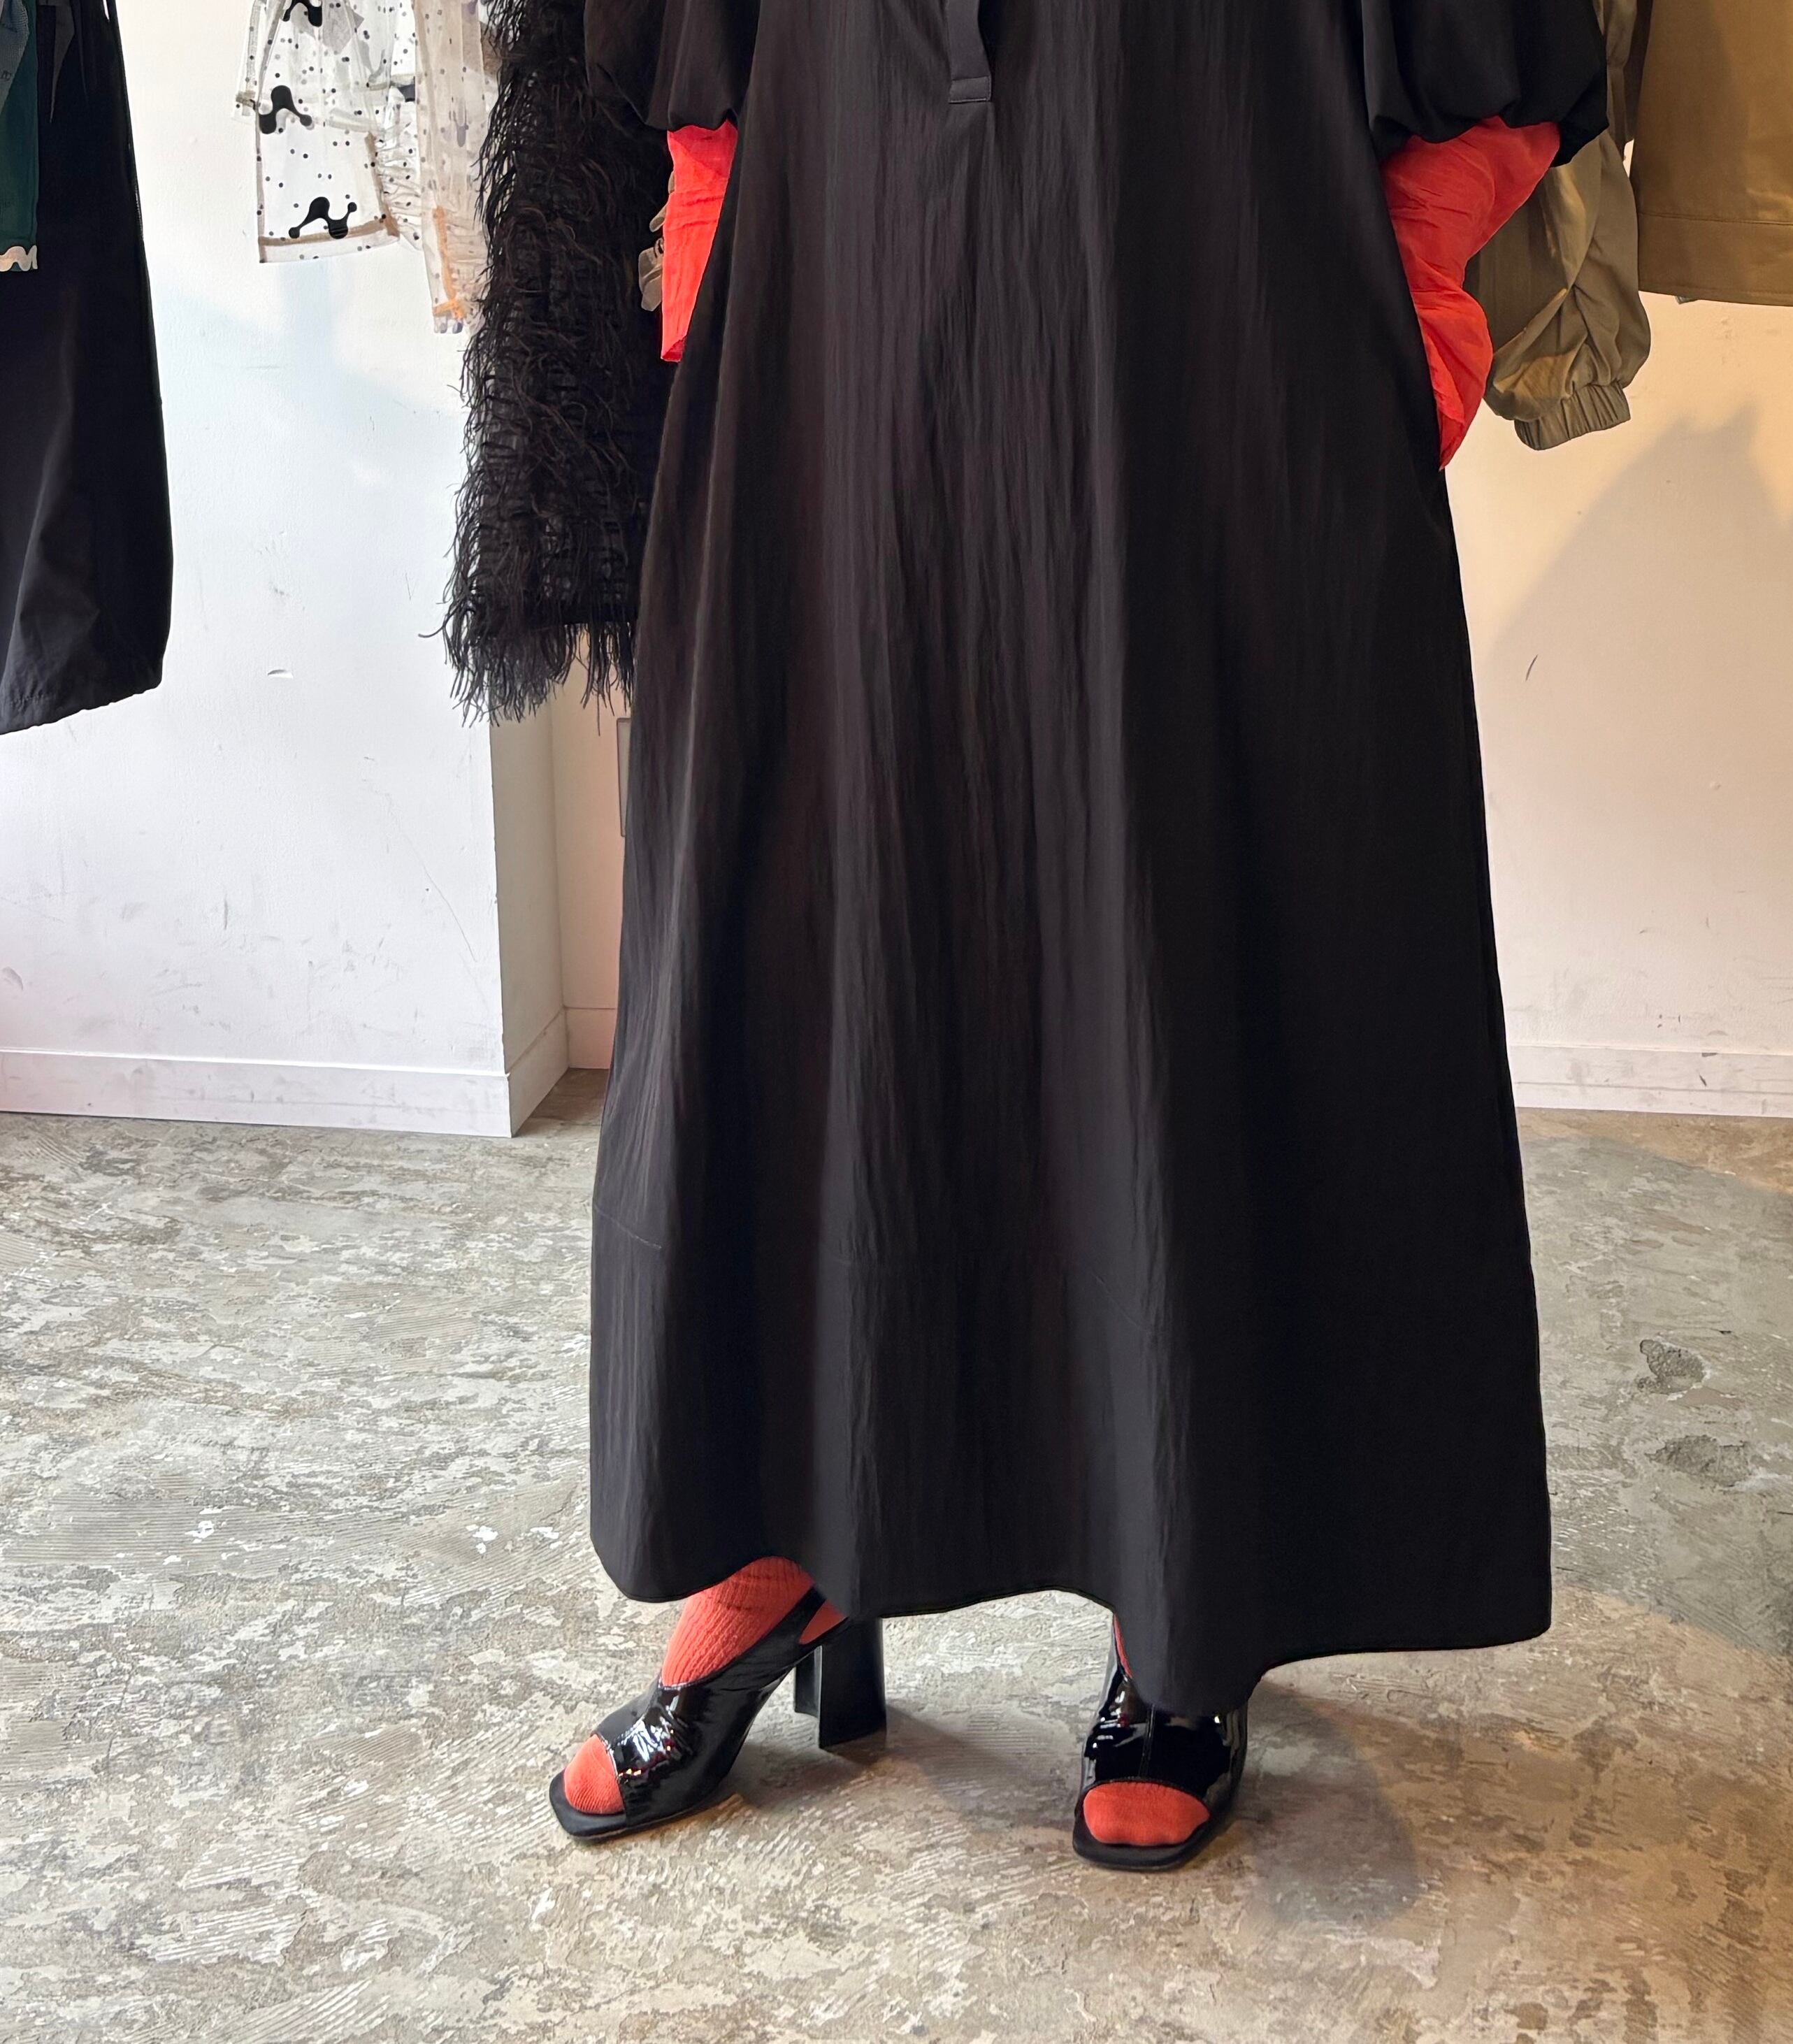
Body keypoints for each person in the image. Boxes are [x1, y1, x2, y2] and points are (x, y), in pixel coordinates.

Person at [544, 0, 1607, 1871]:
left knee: (1185, 945)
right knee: (814, 949)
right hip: (837, 364)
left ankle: (1182, 1591)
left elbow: (1499, 58)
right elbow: (688, 75)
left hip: (1212, 363)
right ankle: (779, 1542)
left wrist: (1382, 313)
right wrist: (729, 319)